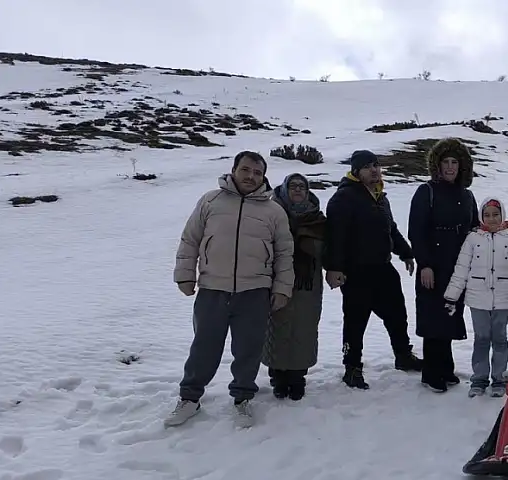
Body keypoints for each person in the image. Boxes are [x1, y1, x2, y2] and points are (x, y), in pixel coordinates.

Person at [167, 151, 294, 428]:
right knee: (204, 346)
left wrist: (282, 288)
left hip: (255, 290)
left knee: (248, 348)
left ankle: (242, 399)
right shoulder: (210, 201)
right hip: (213, 288)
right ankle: (189, 398)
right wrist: (185, 275)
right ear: (234, 170)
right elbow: (190, 240)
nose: (251, 177)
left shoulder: (273, 211)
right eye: (245, 170)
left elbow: (285, 253)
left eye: (257, 173)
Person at [323, 150, 423, 390]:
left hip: (383, 268)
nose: (375, 170)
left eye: (377, 165)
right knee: (355, 323)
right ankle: (352, 368)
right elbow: (334, 237)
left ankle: (403, 355)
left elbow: (391, 229)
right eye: (368, 167)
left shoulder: (380, 196)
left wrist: (406, 253)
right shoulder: (343, 198)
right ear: (356, 171)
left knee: (397, 316)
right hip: (356, 272)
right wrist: (334, 268)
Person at [407, 138, 480, 393]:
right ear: (437, 165)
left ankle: (446, 366)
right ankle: (431, 372)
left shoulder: (467, 195)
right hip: (434, 262)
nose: (450, 167)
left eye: (454, 162)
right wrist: (425, 264)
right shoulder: (426, 191)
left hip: (458, 263)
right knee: (433, 315)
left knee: (450, 313)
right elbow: (416, 231)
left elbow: (474, 228)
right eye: (445, 162)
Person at [442, 197, 508, 397]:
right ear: (481, 217)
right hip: (477, 299)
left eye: (496, 215)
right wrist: (452, 297)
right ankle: (479, 379)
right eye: (487, 215)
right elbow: (461, 269)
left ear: (502, 215)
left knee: (500, 338)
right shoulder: (473, 239)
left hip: (503, 298)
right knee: (482, 339)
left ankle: (499, 379)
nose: (492, 219)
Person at [263, 173, 326, 401]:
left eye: (302, 186)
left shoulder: (317, 219)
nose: (298, 189)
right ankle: (278, 377)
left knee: (304, 329)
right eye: (293, 186)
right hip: (276, 280)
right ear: (284, 189)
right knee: (277, 327)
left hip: (308, 284)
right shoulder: (271, 214)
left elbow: (329, 250)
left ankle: (298, 377)